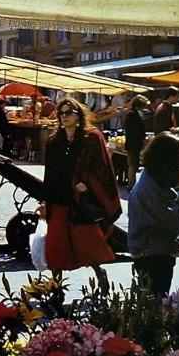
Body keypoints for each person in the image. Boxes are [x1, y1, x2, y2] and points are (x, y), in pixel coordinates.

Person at [38, 97, 122, 294]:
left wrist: (89, 185)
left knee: (87, 244)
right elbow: (49, 174)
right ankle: (56, 288)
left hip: (81, 202)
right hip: (58, 199)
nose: (64, 117)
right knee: (56, 245)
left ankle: (99, 273)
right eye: (61, 113)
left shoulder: (92, 138)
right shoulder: (53, 141)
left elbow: (102, 168)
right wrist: (43, 201)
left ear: (78, 115)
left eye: (68, 113)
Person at [127, 132, 179, 296]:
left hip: (153, 249)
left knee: (153, 300)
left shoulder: (155, 179)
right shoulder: (150, 188)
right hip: (153, 253)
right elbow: (177, 220)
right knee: (154, 302)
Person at [124, 94, 149, 192]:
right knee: (133, 164)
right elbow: (136, 130)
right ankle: (131, 184)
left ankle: (131, 184)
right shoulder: (132, 115)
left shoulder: (133, 114)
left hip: (133, 143)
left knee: (133, 164)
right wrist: (143, 138)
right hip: (133, 143)